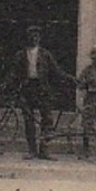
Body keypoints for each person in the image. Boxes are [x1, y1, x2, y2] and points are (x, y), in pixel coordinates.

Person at [12, 25, 68, 160]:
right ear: (27, 38)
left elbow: (56, 70)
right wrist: (8, 83)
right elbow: (14, 72)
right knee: (28, 120)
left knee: (47, 119)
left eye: (36, 36)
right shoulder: (20, 54)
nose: (34, 38)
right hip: (27, 88)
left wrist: (68, 78)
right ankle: (32, 150)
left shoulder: (45, 54)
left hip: (42, 88)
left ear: (40, 38)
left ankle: (44, 150)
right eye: (31, 36)